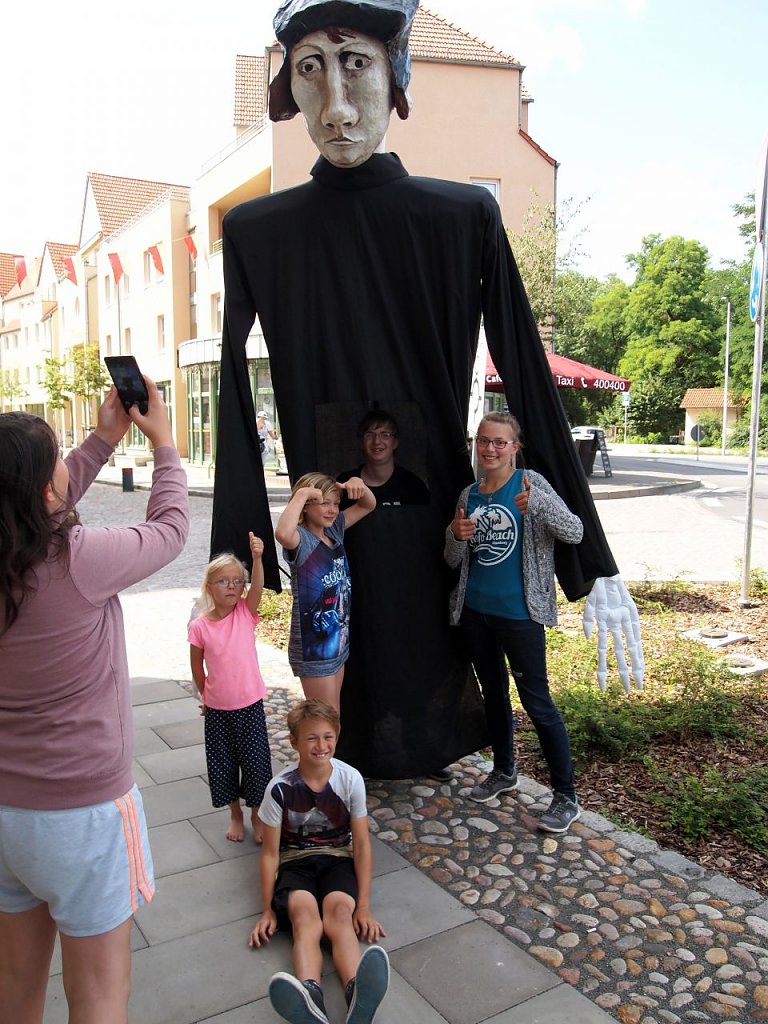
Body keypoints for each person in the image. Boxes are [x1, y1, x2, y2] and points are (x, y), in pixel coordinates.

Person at [210, 0, 642, 779]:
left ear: (396, 77)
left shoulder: (462, 215)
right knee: (339, 651)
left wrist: (592, 560)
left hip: (434, 523)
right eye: (310, 71)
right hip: (331, 528)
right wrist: (234, 562)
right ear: (290, 90)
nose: (337, 108)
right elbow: (234, 391)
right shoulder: (256, 230)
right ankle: (336, 768)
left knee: (426, 638)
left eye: (357, 66)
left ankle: (422, 745)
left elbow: (525, 370)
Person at [0, 381, 188, 1024]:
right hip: (84, 817)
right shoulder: (77, 558)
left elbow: (33, 506)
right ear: (43, 489)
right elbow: (170, 531)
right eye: (57, 456)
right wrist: (164, 445)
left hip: (6, 812)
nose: (65, 466)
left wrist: (105, 438)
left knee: (14, 986)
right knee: (100, 997)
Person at [444, 412, 584, 832]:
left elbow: (574, 531)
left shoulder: (530, 483)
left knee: (537, 703)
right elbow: (451, 559)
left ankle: (566, 796)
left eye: (499, 442)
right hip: (475, 612)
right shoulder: (469, 493)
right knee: (494, 695)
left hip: (521, 615)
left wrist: (538, 506)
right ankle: (504, 771)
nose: (490, 449)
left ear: (515, 447)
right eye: (483, 441)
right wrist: (455, 535)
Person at [249, 699, 389, 1024]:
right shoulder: (279, 788)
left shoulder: (350, 779)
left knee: (340, 915)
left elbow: (362, 844)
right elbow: (269, 853)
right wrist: (267, 909)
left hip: (337, 860)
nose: (321, 745)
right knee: (305, 918)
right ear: (294, 741)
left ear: (336, 738)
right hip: (295, 863)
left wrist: (363, 906)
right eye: (311, 738)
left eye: (328, 737)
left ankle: (357, 996)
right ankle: (310, 998)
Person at [188, 532, 272, 844]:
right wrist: (206, 696)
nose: (232, 586)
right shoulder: (200, 626)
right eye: (224, 581)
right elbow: (197, 667)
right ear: (209, 586)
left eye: (238, 581)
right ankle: (235, 813)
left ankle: (256, 813)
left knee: (256, 764)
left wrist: (258, 558)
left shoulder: (245, 614)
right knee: (223, 764)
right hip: (218, 711)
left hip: (250, 706)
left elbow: (258, 587)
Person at [275, 473, 375, 712]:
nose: (332, 510)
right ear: (306, 506)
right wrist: (301, 494)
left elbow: (368, 505)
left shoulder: (334, 532)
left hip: (337, 642)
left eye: (336, 503)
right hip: (315, 649)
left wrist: (360, 485)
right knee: (326, 719)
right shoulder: (303, 540)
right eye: (324, 503)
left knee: (332, 717)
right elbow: (283, 534)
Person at [337, 409, 428, 507]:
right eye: (369, 435)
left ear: (395, 442)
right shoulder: (344, 482)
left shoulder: (413, 485)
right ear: (361, 443)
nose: (376, 441)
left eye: (385, 435)